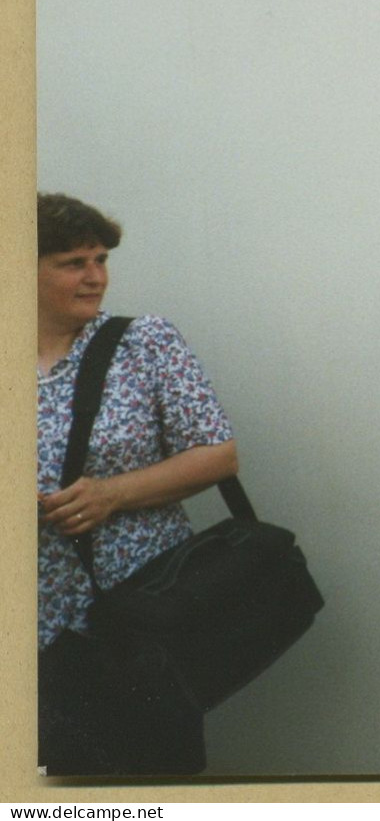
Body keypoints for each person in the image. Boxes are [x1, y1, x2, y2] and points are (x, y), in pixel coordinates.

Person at [36, 193, 239, 775]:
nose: (95, 277)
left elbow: (218, 454)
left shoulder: (142, 343)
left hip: (138, 619)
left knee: (150, 782)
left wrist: (110, 494)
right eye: (73, 262)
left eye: (101, 259)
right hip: (34, 627)